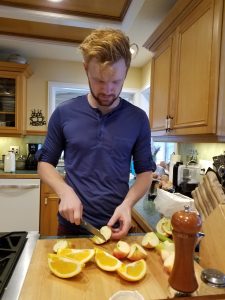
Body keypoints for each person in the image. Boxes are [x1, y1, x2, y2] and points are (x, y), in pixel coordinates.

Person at [36, 28, 156, 240]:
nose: (108, 89)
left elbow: (145, 173)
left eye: (116, 81)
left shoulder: (138, 119)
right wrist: (65, 191)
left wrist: (127, 205)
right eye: (99, 80)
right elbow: (45, 164)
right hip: (72, 226)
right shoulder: (63, 113)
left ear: (126, 71)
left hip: (116, 226)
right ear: (86, 69)